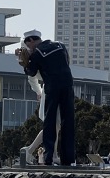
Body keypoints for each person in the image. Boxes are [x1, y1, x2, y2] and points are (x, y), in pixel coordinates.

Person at [23, 29, 75, 166]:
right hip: (68, 84)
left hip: (52, 87)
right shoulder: (60, 45)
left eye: (28, 45)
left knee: (50, 123)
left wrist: (26, 63)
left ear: (31, 41)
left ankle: (49, 156)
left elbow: (31, 73)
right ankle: (68, 158)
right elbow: (67, 61)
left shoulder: (37, 54)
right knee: (67, 121)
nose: (28, 48)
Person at [16, 33, 61, 164]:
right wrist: (40, 92)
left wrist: (39, 91)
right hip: (50, 91)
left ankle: (47, 153)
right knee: (53, 126)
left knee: (55, 127)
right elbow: (32, 78)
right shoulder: (36, 57)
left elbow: (32, 78)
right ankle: (32, 151)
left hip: (52, 90)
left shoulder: (39, 55)